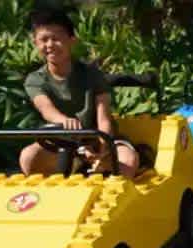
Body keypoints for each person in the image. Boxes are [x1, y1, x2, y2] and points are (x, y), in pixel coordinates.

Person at [18, 9, 140, 177]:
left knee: (127, 161)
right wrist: (64, 122)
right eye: (44, 40)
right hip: (61, 142)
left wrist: (102, 147)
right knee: (28, 156)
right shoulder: (35, 80)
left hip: (98, 139)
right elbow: (46, 109)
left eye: (56, 39)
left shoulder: (92, 75)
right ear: (36, 43)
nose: (50, 45)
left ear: (71, 40)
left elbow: (103, 118)